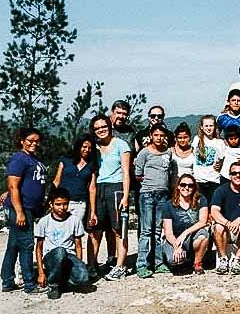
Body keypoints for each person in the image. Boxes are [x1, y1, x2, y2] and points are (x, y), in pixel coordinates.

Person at [1, 127, 48, 294]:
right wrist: (19, 212)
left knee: (14, 245)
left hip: (30, 207)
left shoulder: (33, 159)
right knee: (27, 245)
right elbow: (13, 186)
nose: (34, 144)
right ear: (22, 140)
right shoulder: (19, 159)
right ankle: (29, 284)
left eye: (36, 141)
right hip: (21, 208)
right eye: (30, 141)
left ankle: (7, 281)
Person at [89, 114, 132, 281]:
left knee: (119, 230)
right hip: (97, 188)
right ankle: (91, 266)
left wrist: (126, 196)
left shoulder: (121, 145)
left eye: (103, 126)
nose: (101, 130)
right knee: (95, 230)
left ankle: (120, 265)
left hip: (116, 188)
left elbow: (126, 172)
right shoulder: (94, 147)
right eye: (97, 128)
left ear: (110, 126)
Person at [34, 187, 89, 300]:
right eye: (58, 204)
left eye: (65, 204)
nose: (62, 208)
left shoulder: (74, 220)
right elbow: (38, 248)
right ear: (51, 204)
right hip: (52, 256)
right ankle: (53, 284)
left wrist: (79, 264)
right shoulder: (44, 221)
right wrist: (40, 272)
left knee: (83, 277)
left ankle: (63, 282)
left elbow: (78, 244)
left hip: (69, 256)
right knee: (60, 252)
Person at [135, 123, 172, 278]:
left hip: (163, 195)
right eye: (156, 135)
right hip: (148, 194)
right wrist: (150, 184)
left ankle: (158, 263)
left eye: (161, 135)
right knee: (146, 231)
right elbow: (138, 174)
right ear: (151, 135)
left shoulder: (168, 152)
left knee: (157, 231)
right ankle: (142, 264)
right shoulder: (144, 152)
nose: (159, 138)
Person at [52, 134, 96, 259]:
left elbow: (92, 188)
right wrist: (51, 201)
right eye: (84, 147)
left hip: (80, 204)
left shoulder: (91, 165)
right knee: (59, 232)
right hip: (62, 202)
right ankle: (57, 260)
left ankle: (75, 263)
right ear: (78, 146)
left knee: (74, 234)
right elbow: (56, 181)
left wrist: (92, 211)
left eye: (90, 148)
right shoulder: (65, 160)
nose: (87, 150)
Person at [210, 160, 240, 275]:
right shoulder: (221, 190)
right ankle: (223, 259)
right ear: (230, 175)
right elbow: (214, 211)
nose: (237, 175)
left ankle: (237, 259)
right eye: (234, 173)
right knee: (218, 226)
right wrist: (227, 223)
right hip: (225, 229)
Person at [161, 173, 210, 275]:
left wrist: (185, 233)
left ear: (194, 187)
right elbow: (168, 232)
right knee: (174, 260)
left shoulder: (201, 200)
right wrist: (177, 247)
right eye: (183, 185)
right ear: (178, 187)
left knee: (203, 235)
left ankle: (197, 263)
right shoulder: (168, 205)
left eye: (190, 185)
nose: (186, 188)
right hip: (175, 238)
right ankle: (186, 260)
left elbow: (203, 222)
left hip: (192, 236)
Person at [192, 115, 226, 201]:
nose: (208, 128)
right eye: (206, 126)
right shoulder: (196, 140)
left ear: (215, 127)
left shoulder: (219, 142)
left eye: (211, 126)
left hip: (213, 181)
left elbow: (223, 159)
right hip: (198, 180)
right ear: (202, 127)